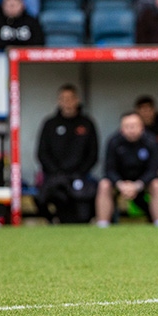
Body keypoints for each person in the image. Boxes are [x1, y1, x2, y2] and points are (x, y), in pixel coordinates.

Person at [35, 84, 99, 224]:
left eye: (70, 98)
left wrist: (80, 171)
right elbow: (42, 153)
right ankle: (53, 220)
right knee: (42, 197)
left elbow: (93, 153)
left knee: (85, 207)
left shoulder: (86, 124)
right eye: (63, 99)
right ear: (59, 101)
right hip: (55, 174)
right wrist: (56, 172)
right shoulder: (50, 124)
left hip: (80, 175)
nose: (67, 102)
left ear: (77, 100)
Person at [94, 112, 158, 228]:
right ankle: (103, 224)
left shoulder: (151, 141)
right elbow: (109, 170)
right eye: (127, 126)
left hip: (144, 181)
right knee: (104, 185)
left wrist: (137, 185)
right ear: (121, 129)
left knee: (157, 184)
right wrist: (121, 184)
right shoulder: (114, 141)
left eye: (134, 126)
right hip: (121, 181)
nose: (131, 130)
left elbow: (154, 169)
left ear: (141, 127)